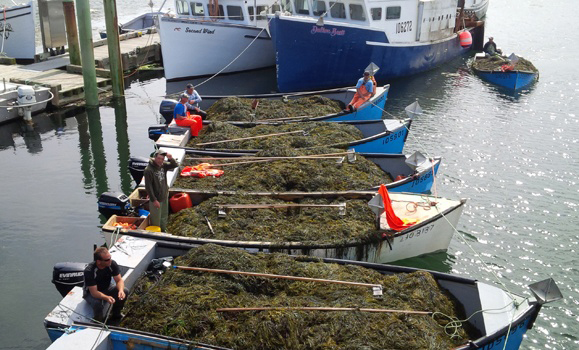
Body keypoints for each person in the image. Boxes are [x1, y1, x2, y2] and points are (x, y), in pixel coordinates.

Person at [83, 247, 129, 322]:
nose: (110, 260)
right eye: (107, 260)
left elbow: (119, 280)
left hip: (107, 287)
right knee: (97, 304)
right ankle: (99, 321)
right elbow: (94, 293)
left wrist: (120, 290)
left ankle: (116, 314)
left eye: (110, 258)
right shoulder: (90, 271)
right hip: (91, 293)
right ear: (98, 261)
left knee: (125, 291)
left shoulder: (111, 264)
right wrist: (107, 297)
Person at [144, 149, 178, 232]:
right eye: (159, 158)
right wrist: (154, 200)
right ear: (155, 157)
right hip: (156, 198)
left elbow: (175, 165)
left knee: (164, 216)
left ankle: (163, 230)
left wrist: (170, 158)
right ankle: (156, 233)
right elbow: (148, 187)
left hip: (164, 195)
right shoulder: (148, 170)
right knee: (156, 219)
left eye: (162, 159)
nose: (160, 161)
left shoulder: (163, 165)